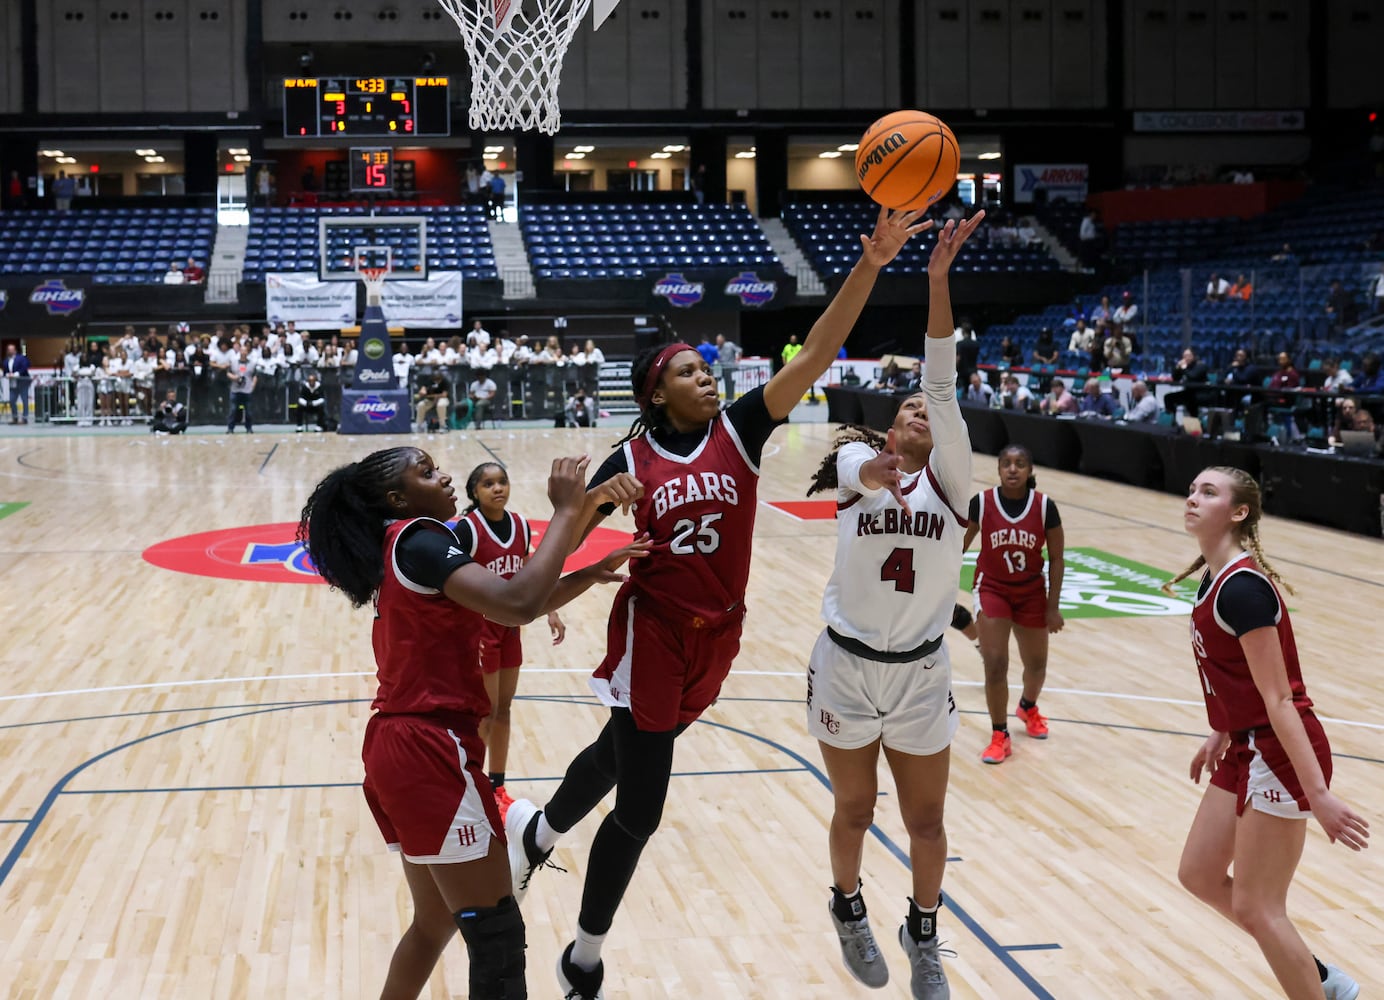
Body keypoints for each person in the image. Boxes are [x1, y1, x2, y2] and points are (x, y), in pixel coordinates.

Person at [503, 206, 941, 1000]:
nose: (708, 376)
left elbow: (815, 352)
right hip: (656, 633)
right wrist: (577, 507)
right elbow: (555, 551)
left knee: (618, 750)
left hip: (720, 638)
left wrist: (871, 263)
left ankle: (534, 833)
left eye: (708, 368)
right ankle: (583, 959)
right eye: (689, 371)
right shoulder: (628, 457)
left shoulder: (740, 429)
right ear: (656, 391)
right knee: (640, 809)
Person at [297, 447, 647, 1000]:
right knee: (497, 937)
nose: (443, 475)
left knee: (435, 924)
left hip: (400, 745)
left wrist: (585, 574)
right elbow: (518, 603)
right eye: (426, 471)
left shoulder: (409, 547)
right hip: (428, 748)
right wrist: (564, 510)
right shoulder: (420, 539)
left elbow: (508, 601)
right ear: (397, 499)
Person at [800, 211, 983, 999]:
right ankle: (847, 905)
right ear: (888, 425)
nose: (919, 411)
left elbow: (940, 378)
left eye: (926, 411)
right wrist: (877, 471)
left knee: (929, 824)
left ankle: (924, 929)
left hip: (918, 672)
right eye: (907, 408)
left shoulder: (954, 481)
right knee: (854, 809)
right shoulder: (852, 463)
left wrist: (938, 280)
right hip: (846, 665)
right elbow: (863, 471)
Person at [1166, 467, 1368, 1000]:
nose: (1193, 497)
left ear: (1238, 513)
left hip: (1279, 752)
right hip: (1246, 742)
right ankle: (1318, 977)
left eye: (1208, 492)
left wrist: (1317, 795)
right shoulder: (1215, 577)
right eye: (1192, 489)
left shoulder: (1244, 590)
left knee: (1258, 905)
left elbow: (1280, 699)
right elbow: (1236, 677)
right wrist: (1221, 731)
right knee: (1200, 874)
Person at [454, 462, 573, 819]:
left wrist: (550, 607)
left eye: (502, 481)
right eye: (488, 484)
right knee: (485, 712)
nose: (497, 488)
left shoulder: (520, 525)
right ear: (475, 492)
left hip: (510, 629)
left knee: (504, 709)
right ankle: (467, 783)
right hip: (481, 629)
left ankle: (496, 785)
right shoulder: (467, 530)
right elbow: (454, 582)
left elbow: (529, 571)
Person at [963, 445, 1065, 765]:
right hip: (992, 588)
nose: (1012, 469)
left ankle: (1028, 706)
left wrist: (1052, 607)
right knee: (995, 664)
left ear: (1029, 471)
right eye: (1006, 463)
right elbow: (956, 547)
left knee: (1036, 667)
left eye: (1020, 464)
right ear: (998, 469)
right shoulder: (981, 503)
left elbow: (1058, 559)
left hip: (1031, 592)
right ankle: (999, 734)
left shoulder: (1045, 506)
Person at [226, 345, 256, 434]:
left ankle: (249, 428)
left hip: (247, 390)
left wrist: (253, 385)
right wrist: (234, 378)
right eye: (242, 351)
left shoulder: (252, 363)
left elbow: (255, 375)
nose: (243, 353)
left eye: (245, 351)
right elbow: (228, 373)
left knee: (249, 411)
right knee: (233, 410)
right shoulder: (234, 362)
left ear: (247, 352)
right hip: (235, 390)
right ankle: (230, 428)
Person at [4, 344, 31, 425]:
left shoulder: (21, 358)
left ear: (15, 350)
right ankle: (15, 417)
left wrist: (16, 374)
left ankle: (25, 418)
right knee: (12, 400)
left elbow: (25, 366)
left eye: (11, 349)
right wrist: (7, 375)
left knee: (24, 400)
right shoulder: (6, 361)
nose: (10, 351)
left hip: (23, 382)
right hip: (13, 383)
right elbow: (5, 371)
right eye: (9, 350)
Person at [715, 333, 742, 401]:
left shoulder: (730, 345)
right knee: (714, 382)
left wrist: (738, 358)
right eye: (717, 341)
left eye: (719, 340)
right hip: (719, 368)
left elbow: (739, 350)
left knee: (729, 384)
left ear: (723, 340)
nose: (718, 342)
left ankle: (729, 399)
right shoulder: (715, 347)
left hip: (729, 368)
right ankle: (716, 398)